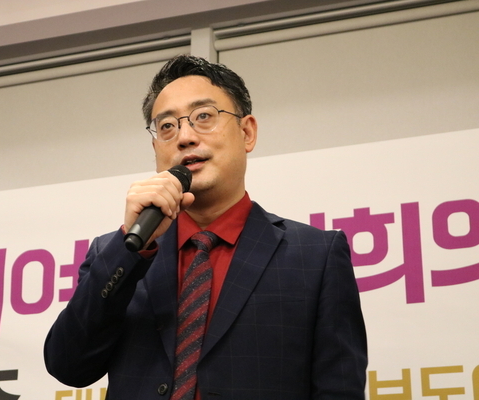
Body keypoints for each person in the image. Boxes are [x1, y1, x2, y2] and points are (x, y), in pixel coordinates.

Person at [44, 55, 367, 399]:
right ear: (155, 147)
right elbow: (68, 366)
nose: (184, 137)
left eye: (203, 117)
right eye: (167, 126)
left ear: (247, 132)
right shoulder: (120, 252)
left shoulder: (316, 256)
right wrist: (131, 249)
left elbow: (339, 389)